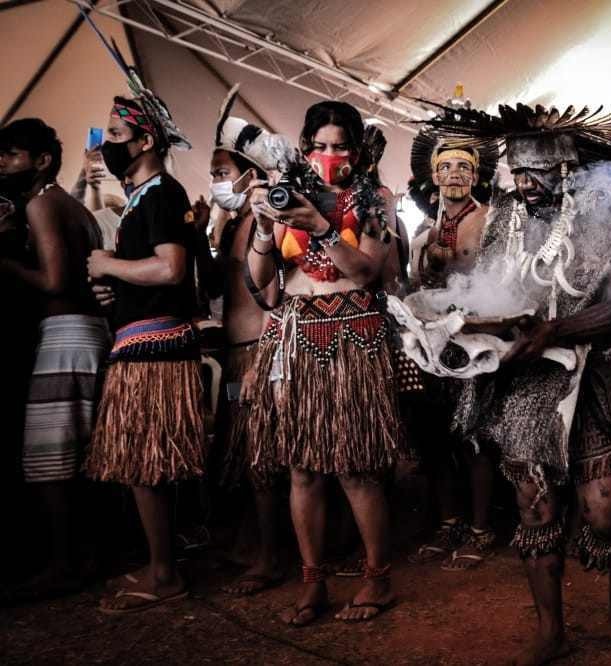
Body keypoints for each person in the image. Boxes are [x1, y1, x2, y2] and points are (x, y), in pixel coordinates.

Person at [427, 101, 611, 663]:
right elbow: (489, 290)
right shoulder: (503, 220)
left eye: (537, 172)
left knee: (602, 509)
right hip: (523, 383)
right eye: (517, 172)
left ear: (567, 169)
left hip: (592, 375)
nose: (524, 183)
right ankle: (552, 630)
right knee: (535, 508)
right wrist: (460, 318)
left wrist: (556, 328)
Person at [244, 100, 400, 625]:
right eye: (320, 145)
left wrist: (323, 226)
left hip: (354, 333)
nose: (329, 155)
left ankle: (377, 577)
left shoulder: (376, 199)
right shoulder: (287, 190)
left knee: (356, 467)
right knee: (302, 469)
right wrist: (265, 226)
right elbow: (261, 278)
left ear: (356, 151)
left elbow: (369, 272)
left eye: (340, 147)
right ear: (305, 145)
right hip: (295, 333)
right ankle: (313, 582)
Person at [83, 85, 204, 614]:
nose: (107, 144)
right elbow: (153, 272)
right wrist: (117, 287)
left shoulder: (161, 194)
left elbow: (172, 268)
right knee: (144, 465)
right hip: (140, 342)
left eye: (115, 134)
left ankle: (164, 574)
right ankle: (162, 563)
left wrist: (109, 266)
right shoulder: (142, 199)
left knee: (144, 466)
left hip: (153, 350)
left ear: (145, 139)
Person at [0, 118, 108, 596]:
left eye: (12, 153)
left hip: (65, 334)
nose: (2, 163)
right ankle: (86, 556)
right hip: (87, 333)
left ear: (42, 160)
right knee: (78, 455)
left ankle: (64, 565)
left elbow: (54, 281)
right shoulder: (74, 207)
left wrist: (3, 261)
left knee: (50, 459)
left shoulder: (42, 203)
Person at [200, 87, 283, 595]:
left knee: (261, 460)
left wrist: (263, 358)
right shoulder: (232, 220)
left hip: (257, 352)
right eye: (212, 173)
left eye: (221, 171)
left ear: (250, 173)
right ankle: (259, 545)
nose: (215, 180)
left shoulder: (261, 219)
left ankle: (272, 557)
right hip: (235, 355)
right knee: (245, 457)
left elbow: (276, 292)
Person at [405, 132, 501, 571]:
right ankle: (449, 523)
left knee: (473, 438)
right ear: (433, 175)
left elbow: (501, 280)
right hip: (431, 345)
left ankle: (482, 528)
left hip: (475, 341)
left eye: (464, 167)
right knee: (436, 437)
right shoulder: (423, 232)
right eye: (446, 167)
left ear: (477, 175)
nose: (454, 175)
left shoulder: (492, 221)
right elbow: (415, 286)